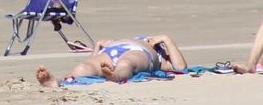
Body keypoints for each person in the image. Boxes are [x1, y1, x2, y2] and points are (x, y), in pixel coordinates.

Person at [35, 34, 187, 86]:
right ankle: (59, 81)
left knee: (126, 63)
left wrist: (166, 39)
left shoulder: (161, 55)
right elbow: (94, 60)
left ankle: (115, 76)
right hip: (110, 50)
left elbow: (180, 67)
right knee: (85, 67)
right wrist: (98, 45)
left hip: (140, 52)